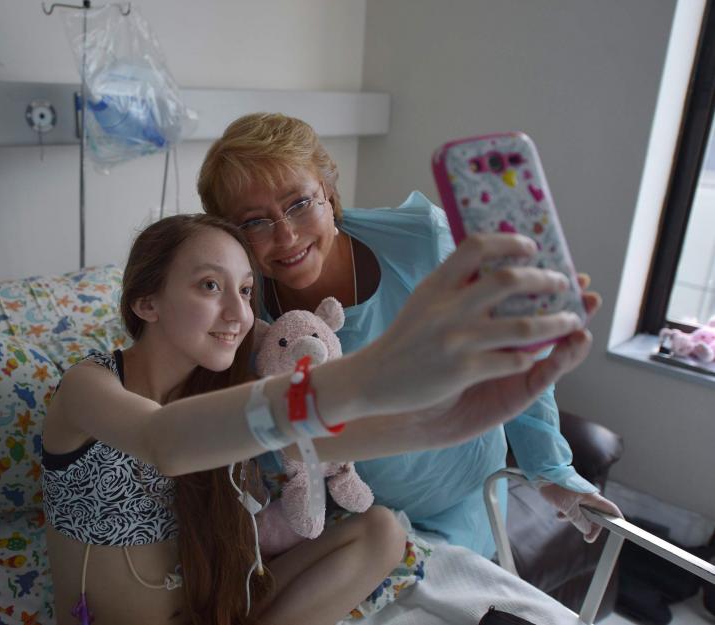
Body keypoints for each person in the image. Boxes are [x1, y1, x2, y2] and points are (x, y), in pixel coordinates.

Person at [41, 213, 590, 625]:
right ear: (147, 303)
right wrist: (373, 371)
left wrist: (448, 421)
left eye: (246, 290)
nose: (237, 313)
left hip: (221, 612)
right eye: (210, 285)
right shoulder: (88, 388)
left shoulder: (221, 389)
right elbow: (162, 441)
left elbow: (316, 443)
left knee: (382, 530)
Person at [197, 112, 621, 558]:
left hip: (460, 499)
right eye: (255, 222)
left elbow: (516, 348)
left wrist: (551, 469)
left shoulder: (424, 244)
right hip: (351, 517)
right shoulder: (241, 310)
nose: (285, 235)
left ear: (328, 192)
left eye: (299, 203)